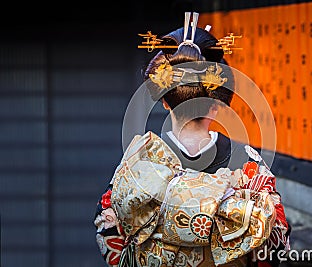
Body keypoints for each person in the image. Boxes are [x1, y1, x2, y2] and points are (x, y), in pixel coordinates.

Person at [94, 12, 290, 267]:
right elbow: (276, 237)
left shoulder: (140, 159)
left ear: (164, 101)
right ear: (217, 105)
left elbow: (107, 224)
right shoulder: (247, 162)